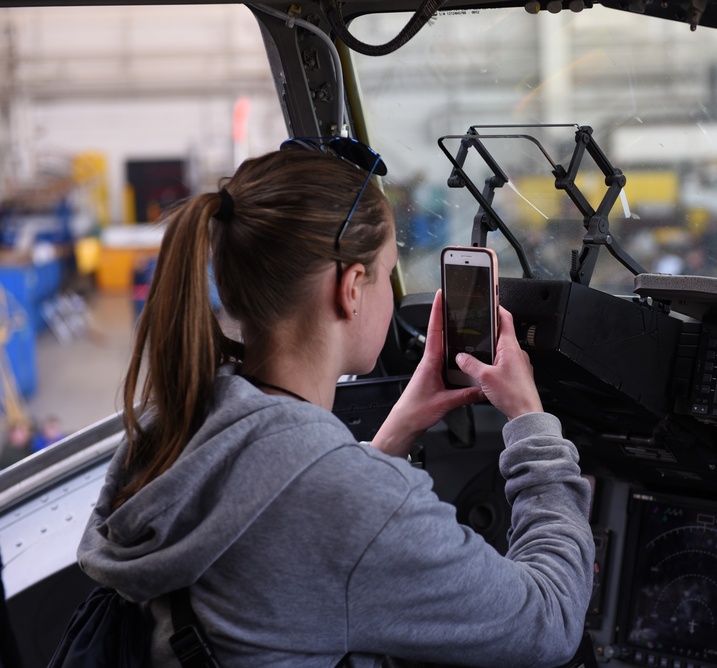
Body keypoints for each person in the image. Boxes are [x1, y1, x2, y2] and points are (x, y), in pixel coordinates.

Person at [75, 141, 594, 667]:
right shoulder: (351, 504)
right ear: (350, 288)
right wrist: (532, 425)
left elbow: (289, 518)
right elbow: (549, 621)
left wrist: (395, 434)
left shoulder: (172, 424)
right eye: (388, 271)